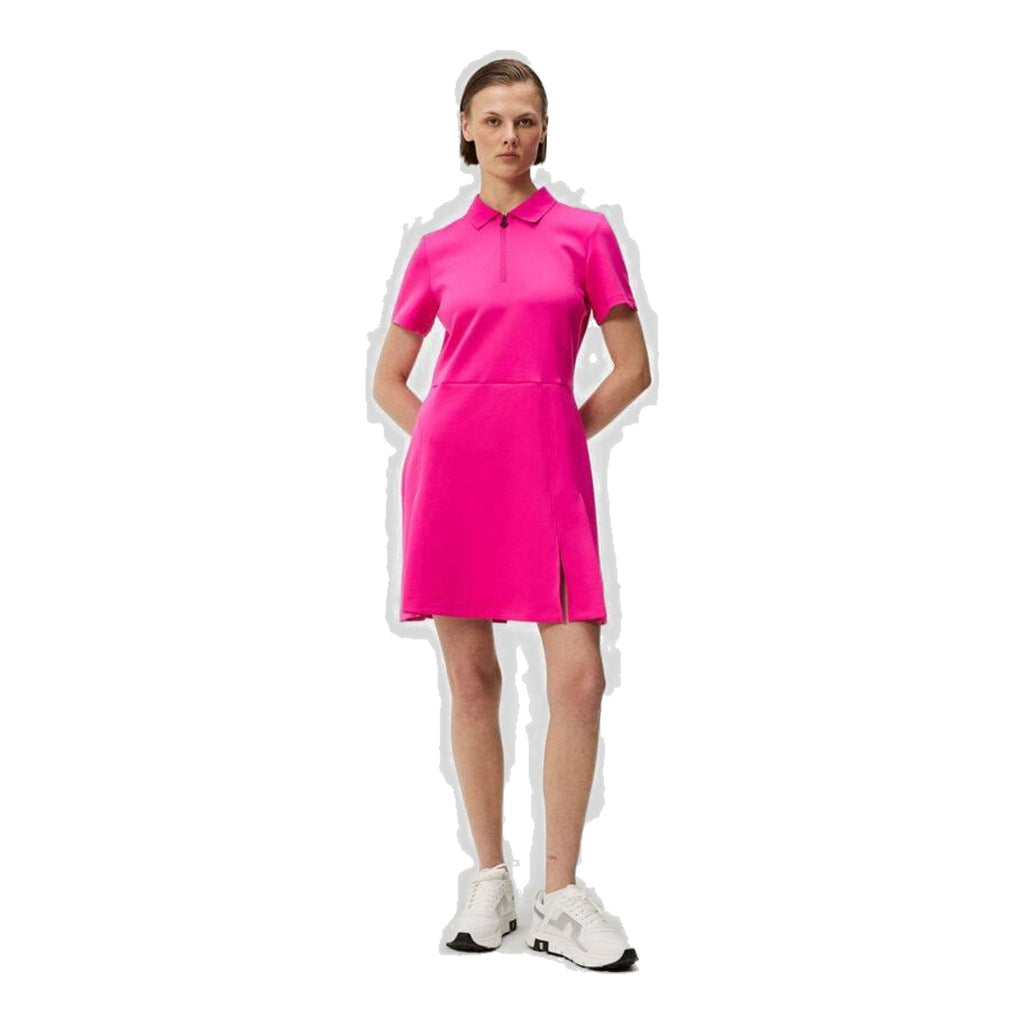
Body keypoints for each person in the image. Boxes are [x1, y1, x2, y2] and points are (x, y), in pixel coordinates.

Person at [373, 58, 650, 971]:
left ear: (544, 130)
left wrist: (554, 436)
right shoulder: (436, 250)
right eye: (492, 119)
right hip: (453, 487)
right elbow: (389, 378)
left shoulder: (584, 235)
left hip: (547, 483)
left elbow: (632, 367)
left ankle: (559, 897)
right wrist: (448, 441)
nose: (509, 135)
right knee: (473, 680)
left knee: (579, 679)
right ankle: (489, 879)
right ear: (466, 129)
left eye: (525, 119)